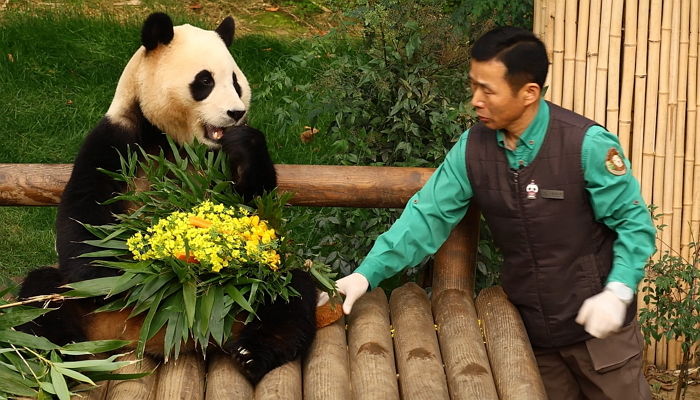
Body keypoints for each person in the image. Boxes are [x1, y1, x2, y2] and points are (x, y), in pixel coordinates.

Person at [332, 26, 656, 399]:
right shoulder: (474, 148)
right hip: (533, 340)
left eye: (488, 90)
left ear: (528, 93)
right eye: (473, 85)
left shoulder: (586, 146)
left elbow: (635, 226)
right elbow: (426, 216)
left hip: (603, 340)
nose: (475, 99)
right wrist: (364, 275)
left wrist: (617, 291)